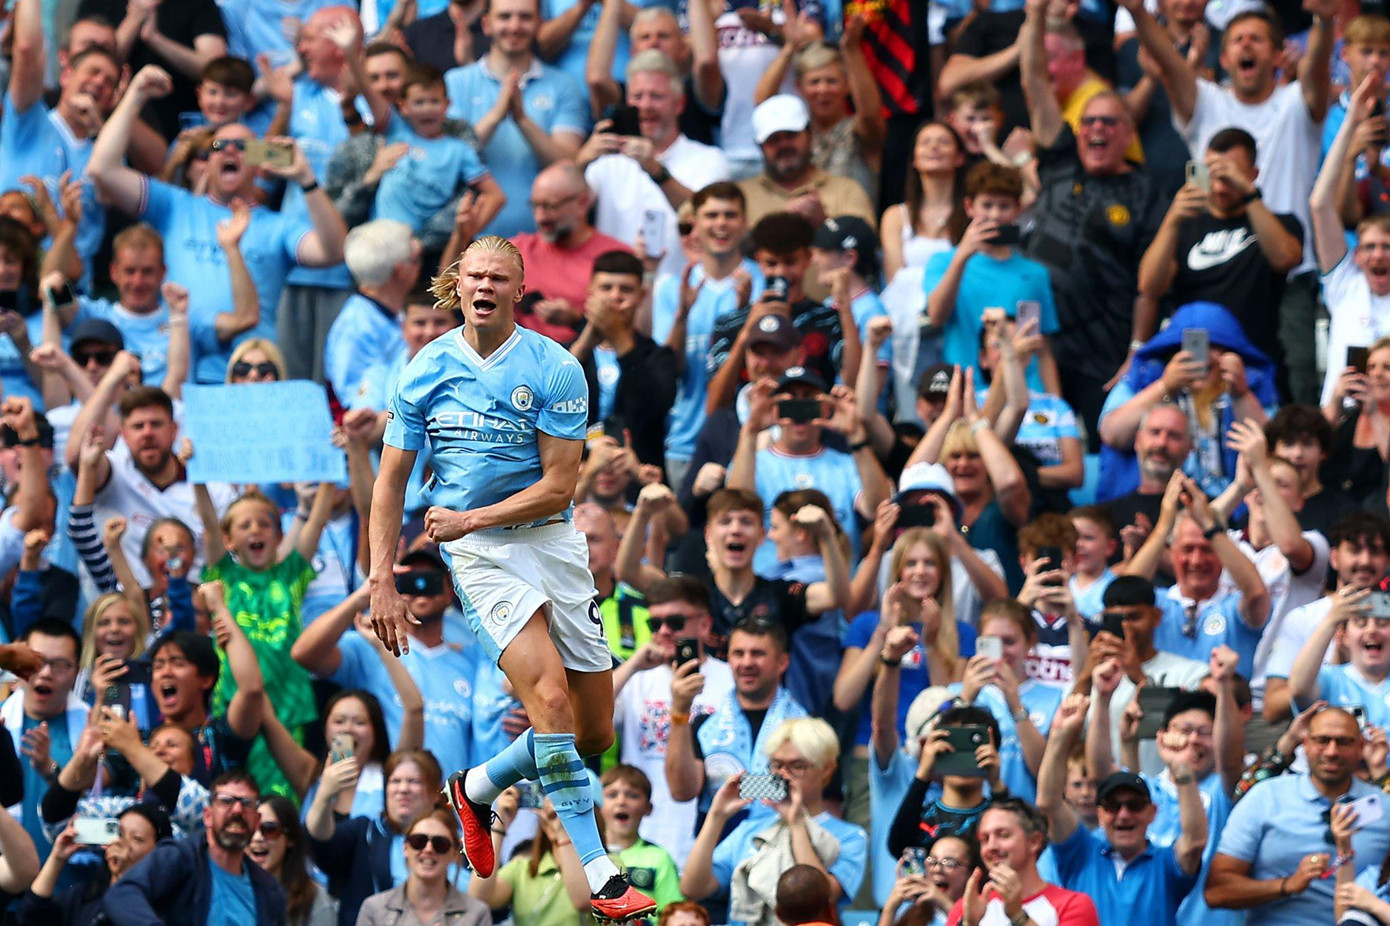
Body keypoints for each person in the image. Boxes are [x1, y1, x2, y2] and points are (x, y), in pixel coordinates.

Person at [368, 235, 654, 919]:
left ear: (519, 289)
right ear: (457, 285)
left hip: (550, 544)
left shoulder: (556, 368)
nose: (485, 285)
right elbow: (389, 481)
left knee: (591, 735)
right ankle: (603, 875)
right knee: (549, 704)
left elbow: (560, 487)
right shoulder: (423, 369)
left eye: (499, 275)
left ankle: (479, 784)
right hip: (481, 557)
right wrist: (381, 576)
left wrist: (470, 516)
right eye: (474, 275)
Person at [1126, 0, 1336, 405]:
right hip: (1211, 265)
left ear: (1277, 55)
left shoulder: (1296, 103)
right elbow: (1169, 63)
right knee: (1202, 393)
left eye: (1257, 39)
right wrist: (1138, 12)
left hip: (1288, 273)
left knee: (1296, 394)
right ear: (1224, 56)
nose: (1246, 46)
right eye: (1237, 39)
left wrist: (1324, 23)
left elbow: (1316, 72)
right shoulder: (1207, 102)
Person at [86, 65, 349, 385]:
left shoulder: (277, 226)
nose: (229, 152)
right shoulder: (175, 206)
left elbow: (333, 252)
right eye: (217, 147)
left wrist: (306, 180)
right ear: (206, 162)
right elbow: (102, 168)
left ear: (259, 165)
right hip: (184, 372)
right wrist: (136, 95)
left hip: (253, 373)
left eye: (243, 148)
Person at [1018, 0, 1164, 440]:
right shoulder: (1060, 159)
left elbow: (1149, 282)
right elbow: (1033, 82)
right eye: (1089, 121)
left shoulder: (1145, 191)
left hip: (1104, 346)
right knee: (1039, 444)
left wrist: (1137, 349)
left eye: (1109, 122)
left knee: (1106, 443)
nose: (1096, 129)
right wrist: (1036, 16)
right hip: (1040, 340)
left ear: (1128, 133)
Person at [1136, 128, 1303, 371]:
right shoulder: (1183, 227)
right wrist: (1172, 220)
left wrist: (1248, 193)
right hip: (1193, 359)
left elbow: (1285, 258)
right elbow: (1149, 286)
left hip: (1254, 359)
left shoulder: (1280, 223)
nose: (1220, 187)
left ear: (1253, 175)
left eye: (1229, 177)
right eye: (1213, 175)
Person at [1206, 707, 1390, 923]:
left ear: (1361, 747)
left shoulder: (1383, 807)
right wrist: (1287, 885)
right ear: (1305, 745)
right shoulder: (1265, 797)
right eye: (1322, 740)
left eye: (1343, 742)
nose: (1332, 751)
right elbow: (1216, 891)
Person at [1037, 694, 1207, 926]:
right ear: (1100, 813)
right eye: (1113, 806)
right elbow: (1048, 802)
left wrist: (1182, 769)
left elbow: (1195, 842)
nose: (1124, 814)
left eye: (1135, 805)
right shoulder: (1082, 854)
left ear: (1152, 813)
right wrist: (1060, 735)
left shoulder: (1165, 864)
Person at [681, 717, 868, 926]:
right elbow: (693, 888)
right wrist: (716, 816)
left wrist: (797, 823)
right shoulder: (750, 829)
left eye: (797, 766)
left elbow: (821, 896)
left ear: (826, 769)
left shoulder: (851, 837)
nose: (784, 775)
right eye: (777, 765)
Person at [610, 575, 734, 866]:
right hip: (641, 837)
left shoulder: (731, 681)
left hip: (707, 836)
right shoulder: (636, 680)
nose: (664, 631)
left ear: (704, 625)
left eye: (676, 622)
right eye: (655, 624)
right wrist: (632, 666)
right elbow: (584, 725)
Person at [580, 50, 732, 279]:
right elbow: (565, 206)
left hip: (683, 292)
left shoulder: (710, 159)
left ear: (679, 104)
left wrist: (655, 169)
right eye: (637, 97)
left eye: (656, 97)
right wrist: (581, 160)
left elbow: (710, 218)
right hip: (616, 295)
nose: (645, 106)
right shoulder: (606, 159)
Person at [650, 182, 763, 490]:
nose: (721, 223)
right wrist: (682, 317)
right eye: (711, 215)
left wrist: (743, 315)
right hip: (686, 438)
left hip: (749, 439)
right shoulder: (672, 288)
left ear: (745, 223)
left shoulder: (764, 283)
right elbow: (669, 371)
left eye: (730, 215)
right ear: (695, 224)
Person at [443, 0, 588, 238]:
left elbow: (568, 165)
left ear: (539, 23)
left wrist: (522, 120)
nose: (515, 26)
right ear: (486, 24)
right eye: (505, 17)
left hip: (543, 240)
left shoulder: (562, 85)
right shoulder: (455, 82)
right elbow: (447, 159)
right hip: (470, 239)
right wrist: (496, 116)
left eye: (525, 17)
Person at [1122, 472, 1272, 678]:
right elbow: (1123, 595)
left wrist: (1210, 526)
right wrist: (1164, 523)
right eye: (1187, 549)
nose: (1197, 560)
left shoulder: (1236, 607)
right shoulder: (1157, 604)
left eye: (1207, 549)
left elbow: (1256, 593)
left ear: (1221, 551)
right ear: (1172, 552)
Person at [103, 770, 287, 926]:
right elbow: (122, 893)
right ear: (207, 816)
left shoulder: (268, 890)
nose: (237, 809)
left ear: (256, 821)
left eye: (247, 803)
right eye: (226, 801)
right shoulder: (180, 858)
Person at [307, 749, 445, 926]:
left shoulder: (451, 841)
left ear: (435, 793)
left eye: (413, 781)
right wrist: (324, 795)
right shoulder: (364, 832)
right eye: (395, 781)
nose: (403, 789)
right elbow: (320, 838)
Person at [752, 21, 887, 203]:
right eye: (814, 82)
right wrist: (789, 47)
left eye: (831, 81)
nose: (823, 89)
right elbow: (764, 107)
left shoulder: (859, 131)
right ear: (800, 87)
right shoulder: (795, 135)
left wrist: (851, 51)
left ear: (847, 85)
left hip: (852, 225)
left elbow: (871, 115)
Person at [510, 161, 632, 345]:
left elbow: (627, 332)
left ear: (582, 203)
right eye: (535, 206)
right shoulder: (516, 251)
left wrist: (575, 320)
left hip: (589, 364)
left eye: (550, 206)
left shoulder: (616, 258)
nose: (540, 217)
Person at [3, 619, 88, 857]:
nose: (46, 673)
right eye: (36, 662)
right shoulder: (1, 722)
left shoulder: (93, 727)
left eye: (60, 665)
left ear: (77, 671)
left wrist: (50, 769)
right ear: (16, 665)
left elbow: (97, 801)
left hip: (76, 877)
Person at [737, 95, 878, 235]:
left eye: (791, 135)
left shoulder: (847, 190)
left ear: (810, 135)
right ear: (760, 146)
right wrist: (780, 221)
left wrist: (825, 222)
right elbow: (732, 251)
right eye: (773, 140)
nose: (784, 145)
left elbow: (866, 246)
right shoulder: (741, 195)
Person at [948, 798, 1100, 926]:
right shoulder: (966, 908)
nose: (991, 847)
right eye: (985, 839)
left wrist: (1018, 916)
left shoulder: (1073, 905)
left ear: (1034, 841)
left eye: (1003, 835)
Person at [18, 803, 173, 926]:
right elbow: (31, 916)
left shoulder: (163, 907)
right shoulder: (84, 895)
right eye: (119, 834)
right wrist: (57, 859)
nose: (121, 842)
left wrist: (125, 876)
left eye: (137, 839)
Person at [325, 220, 422, 408]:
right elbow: (358, 403)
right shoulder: (355, 326)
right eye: (416, 260)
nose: (420, 268)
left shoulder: (395, 312)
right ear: (399, 272)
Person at [357, 808, 491, 926]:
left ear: (455, 854)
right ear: (405, 848)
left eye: (440, 844)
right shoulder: (374, 909)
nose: (428, 849)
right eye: (418, 841)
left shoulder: (476, 913)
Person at [598, 765, 685, 909]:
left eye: (632, 795)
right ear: (598, 805)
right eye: (612, 795)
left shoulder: (659, 858)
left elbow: (672, 914)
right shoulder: (587, 857)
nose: (621, 802)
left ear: (648, 808)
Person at [246, 795, 335, 926]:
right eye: (250, 829)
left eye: (269, 829)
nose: (257, 837)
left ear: (290, 838)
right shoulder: (225, 891)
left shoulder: (315, 899)